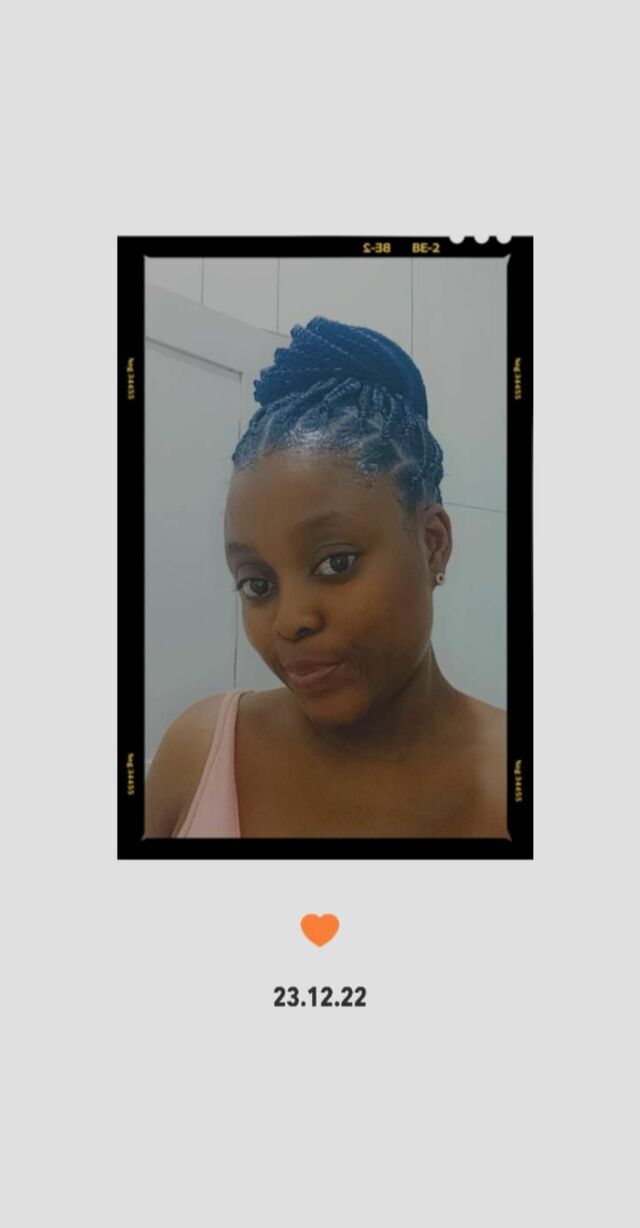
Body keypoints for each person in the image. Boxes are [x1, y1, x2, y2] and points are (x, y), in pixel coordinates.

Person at [145, 316, 507, 839]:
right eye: (257, 584)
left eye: (335, 563)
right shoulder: (198, 753)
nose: (290, 621)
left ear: (433, 543)